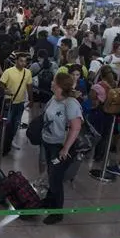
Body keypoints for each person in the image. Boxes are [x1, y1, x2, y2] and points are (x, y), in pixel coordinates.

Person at [40, 73, 83, 224]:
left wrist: (65, 149)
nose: (51, 83)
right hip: (49, 142)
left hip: (60, 146)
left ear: (59, 85)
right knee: (51, 172)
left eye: (54, 81)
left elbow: (76, 128)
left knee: (55, 178)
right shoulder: (54, 98)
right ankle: (49, 200)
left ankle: (58, 211)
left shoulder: (71, 103)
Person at [0, 52, 33, 155]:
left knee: (16, 123)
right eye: (21, 61)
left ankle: (10, 141)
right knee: (7, 123)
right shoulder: (8, 72)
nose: (23, 63)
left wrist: (31, 99)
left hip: (20, 102)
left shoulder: (28, 73)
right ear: (16, 61)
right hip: (9, 102)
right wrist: (5, 91)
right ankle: (3, 144)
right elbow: (0, 84)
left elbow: (29, 86)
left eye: (25, 61)